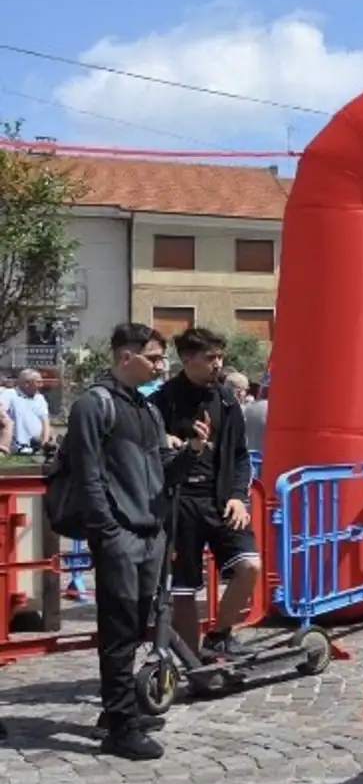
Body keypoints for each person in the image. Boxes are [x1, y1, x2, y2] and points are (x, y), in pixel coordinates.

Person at [68, 323, 207, 760]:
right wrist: (108, 532)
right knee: (119, 629)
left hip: (149, 533)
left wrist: (190, 454)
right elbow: (87, 475)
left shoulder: (146, 409)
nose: (160, 365)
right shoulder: (95, 404)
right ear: (125, 357)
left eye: (161, 358)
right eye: (153, 357)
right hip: (121, 535)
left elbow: (160, 472)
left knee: (133, 625)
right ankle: (120, 725)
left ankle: (117, 712)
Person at [152, 328, 260, 659]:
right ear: (187, 360)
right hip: (178, 503)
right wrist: (171, 445)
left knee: (251, 567)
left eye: (220, 357)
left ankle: (219, 635)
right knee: (184, 589)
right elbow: (149, 454)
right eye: (210, 358)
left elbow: (241, 456)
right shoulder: (161, 401)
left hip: (220, 499)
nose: (218, 364)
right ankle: (190, 660)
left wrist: (238, 497)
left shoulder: (227, 400)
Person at [3, 368, 53, 451]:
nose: (41, 385)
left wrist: (45, 442)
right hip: (16, 451)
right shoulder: (10, 394)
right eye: (38, 382)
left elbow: (45, 422)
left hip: (36, 450)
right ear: (27, 383)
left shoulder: (40, 398)